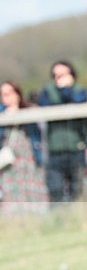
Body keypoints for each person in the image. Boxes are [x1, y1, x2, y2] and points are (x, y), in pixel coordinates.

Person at [37, 60, 87, 202]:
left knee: (78, 189)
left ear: (72, 75)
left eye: (63, 75)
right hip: (55, 150)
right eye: (56, 76)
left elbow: (80, 101)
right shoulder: (47, 91)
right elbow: (44, 105)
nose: (59, 79)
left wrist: (66, 90)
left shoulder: (80, 90)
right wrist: (60, 90)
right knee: (55, 190)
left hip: (77, 147)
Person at [0, 80, 48, 214]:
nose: (6, 97)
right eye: (3, 94)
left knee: (32, 189)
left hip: (29, 157)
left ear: (17, 94)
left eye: (9, 93)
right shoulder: (2, 113)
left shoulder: (29, 110)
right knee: (11, 190)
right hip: (9, 159)